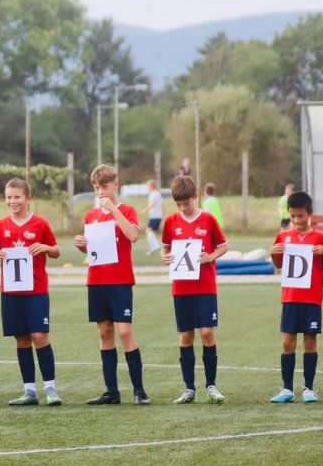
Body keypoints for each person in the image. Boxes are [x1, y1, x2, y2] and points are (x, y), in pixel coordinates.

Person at [75, 165, 148, 406]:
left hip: (120, 280)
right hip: (97, 280)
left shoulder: (127, 210)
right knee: (105, 333)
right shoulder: (91, 215)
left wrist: (114, 210)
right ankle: (111, 391)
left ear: (115, 185)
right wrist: (82, 244)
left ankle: (139, 390)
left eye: (105, 186)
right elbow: (94, 248)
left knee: (125, 332)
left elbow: (133, 236)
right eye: (96, 187)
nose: (100, 191)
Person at [0, 178, 62, 406]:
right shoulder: (0, 226)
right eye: (9, 197)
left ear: (28, 198)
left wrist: (46, 247)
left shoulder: (40, 224)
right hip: (11, 292)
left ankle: (51, 389)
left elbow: (56, 251)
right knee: (21, 340)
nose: (13, 201)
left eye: (17, 197)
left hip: (36, 290)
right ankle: (29, 391)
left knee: (39, 337)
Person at [162, 175, 230, 404]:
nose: (183, 208)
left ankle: (211, 385)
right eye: (179, 204)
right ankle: (189, 388)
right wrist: (166, 257)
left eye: (186, 203)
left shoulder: (208, 220)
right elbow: (165, 249)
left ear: (196, 196)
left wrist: (209, 256)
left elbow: (223, 245)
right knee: (186, 334)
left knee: (207, 333)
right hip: (181, 288)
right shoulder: (171, 222)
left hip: (205, 285)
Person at [268, 191, 323, 403]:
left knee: (310, 340)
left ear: (310, 214)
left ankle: (308, 388)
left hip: (312, 298)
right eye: (293, 217)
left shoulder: (320, 236)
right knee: (288, 342)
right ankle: (287, 389)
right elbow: (279, 265)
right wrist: (273, 253)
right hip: (290, 297)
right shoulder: (284, 236)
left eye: (301, 216)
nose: (297, 221)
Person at [144, 179, 164, 254]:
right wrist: (162, 216)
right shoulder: (158, 194)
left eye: (148, 186)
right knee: (151, 231)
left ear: (151, 186)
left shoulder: (153, 194)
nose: (147, 188)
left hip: (154, 216)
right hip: (158, 216)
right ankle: (153, 247)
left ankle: (155, 246)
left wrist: (145, 210)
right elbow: (162, 205)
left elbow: (153, 204)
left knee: (148, 230)